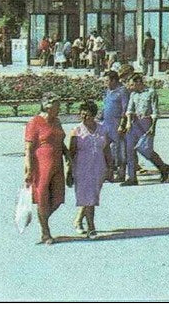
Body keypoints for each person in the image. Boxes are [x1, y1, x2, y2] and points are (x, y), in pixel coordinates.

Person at [22, 93, 66, 245]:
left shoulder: (57, 122)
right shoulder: (35, 122)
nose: (59, 108)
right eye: (57, 105)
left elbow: (61, 141)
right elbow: (28, 148)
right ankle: (45, 233)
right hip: (41, 166)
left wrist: (69, 158)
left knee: (58, 198)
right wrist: (28, 168)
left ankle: (43, 219)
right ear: (47, 106)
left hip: (58, 164)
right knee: (42, 198)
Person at [66, 100, 112, 238]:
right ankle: (91, 227)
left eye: (87, 115)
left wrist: (110, 167)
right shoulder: (76, 131)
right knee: (88, 197)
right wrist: (69, 172)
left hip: (98, 167)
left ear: (94, 115)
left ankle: (78, 220)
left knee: (91, 196)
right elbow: (71, 153)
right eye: (82, 115)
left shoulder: (103, 129)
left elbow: (107, 149)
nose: (84, 118)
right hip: (82, 168)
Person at [122, 74, 169, 185]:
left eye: (132, 84)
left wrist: (153, 126)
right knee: (129, 149)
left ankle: (163, 167)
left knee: (145, 150)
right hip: (135, 123)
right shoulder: (133, 94)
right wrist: (129, 122)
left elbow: (155, 111)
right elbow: (130, 109)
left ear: (139, 82)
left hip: (146, 122)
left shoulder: (151, 92)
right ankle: (132, 178)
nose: (130, 87)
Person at [100, 70, 129, 182]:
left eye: (107, 81)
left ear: (114, 80)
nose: (105, 83)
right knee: (105, 149)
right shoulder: (108, 91)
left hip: (117, 124)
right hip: (107, 124)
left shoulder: (122, 91)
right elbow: (106, 105)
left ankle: (121, 174)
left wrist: (122, 124)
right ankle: (109, 173)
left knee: (120, 150)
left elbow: (125, 109)